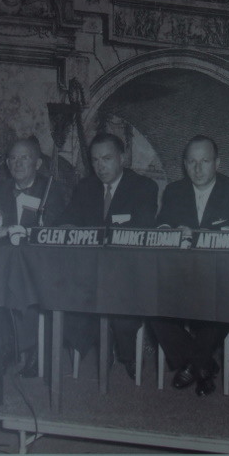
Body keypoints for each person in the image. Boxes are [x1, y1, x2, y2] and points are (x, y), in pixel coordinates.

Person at [150, 135, 229, 396]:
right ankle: (204, 365)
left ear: (217, 163)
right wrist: (170, 231)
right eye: (192, 162)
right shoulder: (174, 191)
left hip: (220, 277)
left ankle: (194, 365)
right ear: (184, 164)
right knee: (152, 305)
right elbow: (162, 224)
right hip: (181, 275)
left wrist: (207, 234)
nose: (197, 169)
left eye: (204, 161)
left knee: (226, 302)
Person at [59, 132, 158, 379]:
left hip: (126, 271)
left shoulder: (143, 187)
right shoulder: (86, 187)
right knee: (67, 296)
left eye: (107, 159)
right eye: (95, 160)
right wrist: (67, 227)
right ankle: (98, 343)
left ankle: (126, 352)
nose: (100, 166)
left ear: (122, 158)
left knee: (122, 308)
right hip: (90, 271)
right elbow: (68, 219)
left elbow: (143, 228)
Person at [0, 138, 65, 376]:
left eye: (24, 158)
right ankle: (5, 346)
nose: (17, 163)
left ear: (37, 163)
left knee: (26, 282)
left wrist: (19, 231)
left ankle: (33, 348)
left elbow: (53, 225)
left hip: (40, 263)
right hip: (5, 263)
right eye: (13, 158)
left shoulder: (51, 189)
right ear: (7, 163)